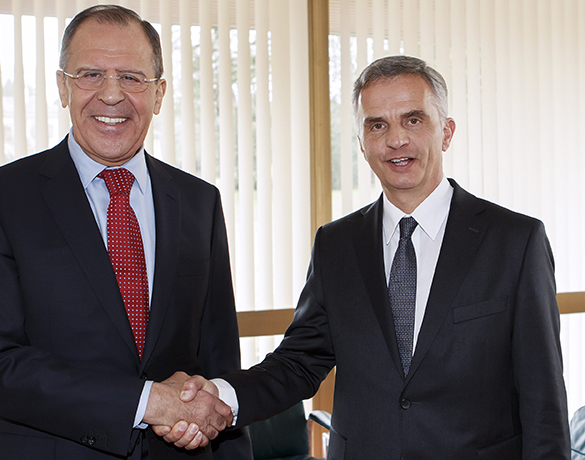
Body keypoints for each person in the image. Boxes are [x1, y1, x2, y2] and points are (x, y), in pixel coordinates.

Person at [159, 55, 571, 459]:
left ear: (445, 132)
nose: (396, 140)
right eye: (377, 125)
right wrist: (222, 395)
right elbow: (299, 361)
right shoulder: (336, 244)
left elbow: (543, 398)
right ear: (361, 143)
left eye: (413, 120)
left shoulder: (515, 241)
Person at [0, 5, 250, 460]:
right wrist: (147, 401)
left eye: (132, 78)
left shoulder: (198, 201)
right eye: (90, 74)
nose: (111, 95)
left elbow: (219, 362)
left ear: (159, 93)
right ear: (62, 86)